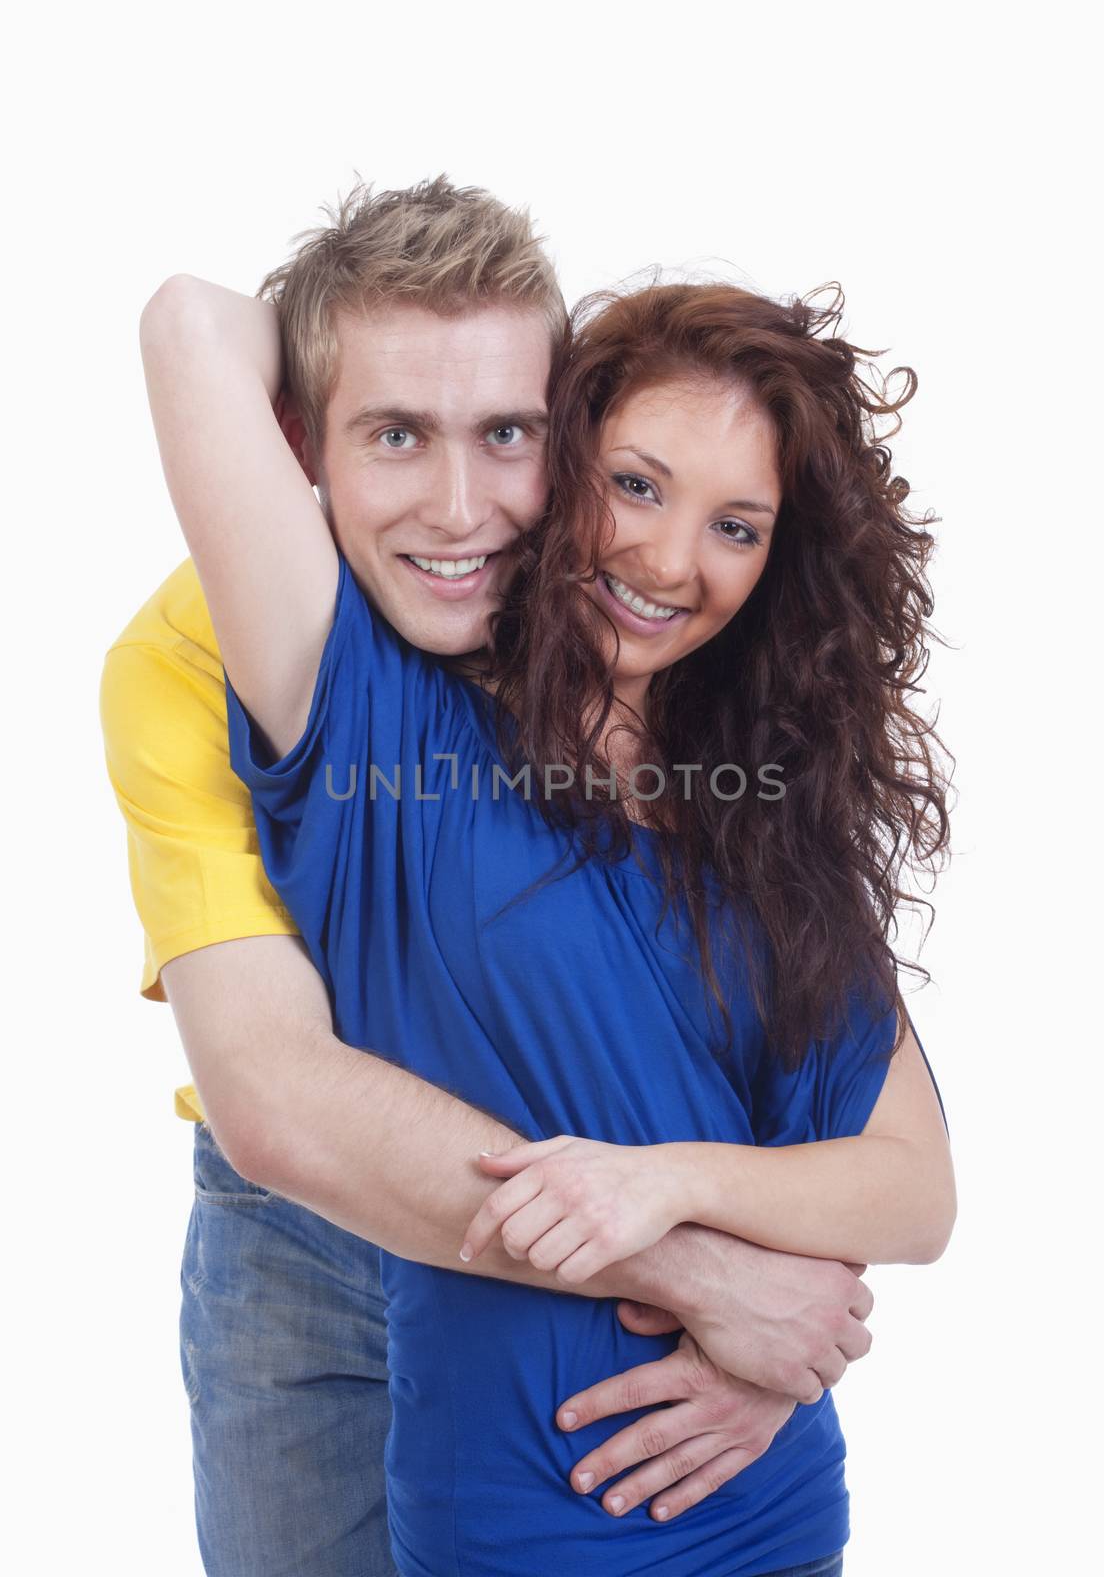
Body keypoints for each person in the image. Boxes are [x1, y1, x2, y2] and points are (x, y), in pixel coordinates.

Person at [131, 191, 954, 1572]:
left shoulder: (758, 812)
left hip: (745, 1486)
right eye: (636, 483)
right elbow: (188, 328)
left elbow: (909, 1186)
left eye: (737, 526)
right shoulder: (351, 708)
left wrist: (695, 1224)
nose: (668, 558)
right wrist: (698, 1266)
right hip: (329, 1257)